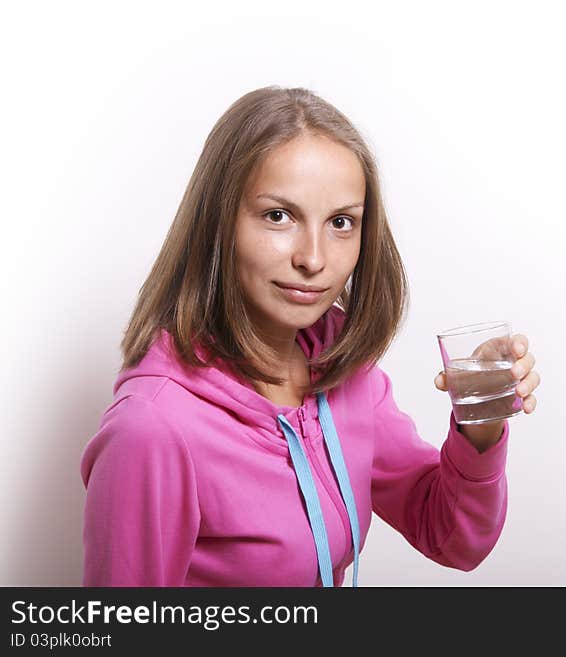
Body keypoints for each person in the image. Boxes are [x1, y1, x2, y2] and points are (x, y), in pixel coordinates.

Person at [80, 86, 541, 587]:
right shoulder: (153, 430)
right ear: (217, 222)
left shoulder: (343, 371)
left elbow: (451, 536)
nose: (314, 258)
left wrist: (481, 422)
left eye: (342, 222)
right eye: (279, 215)